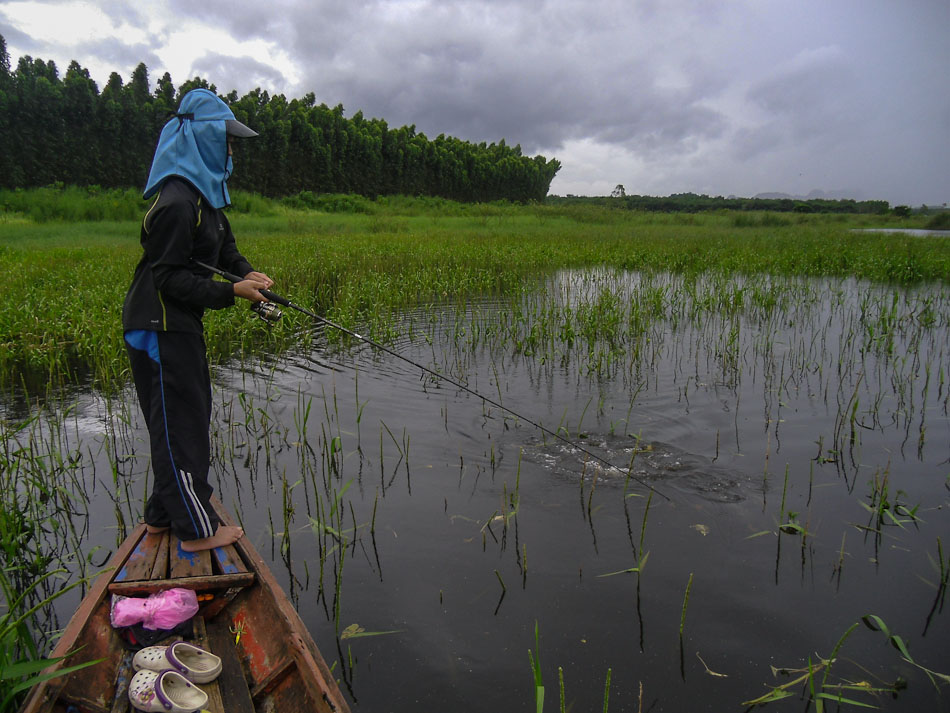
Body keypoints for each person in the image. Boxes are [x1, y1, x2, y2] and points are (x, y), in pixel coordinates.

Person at [122, 88, 273, 551]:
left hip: (178, 325)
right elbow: (169, 278)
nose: (231, 150)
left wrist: (246, 272)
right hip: (157, 327)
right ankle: (194, 529)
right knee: (180, 425)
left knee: (182, 418)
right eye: (225, 140)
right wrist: (231, 292)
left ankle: (161, 516)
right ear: (201, 139)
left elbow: (223, 250)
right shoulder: (176, 203)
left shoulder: (204, 198)